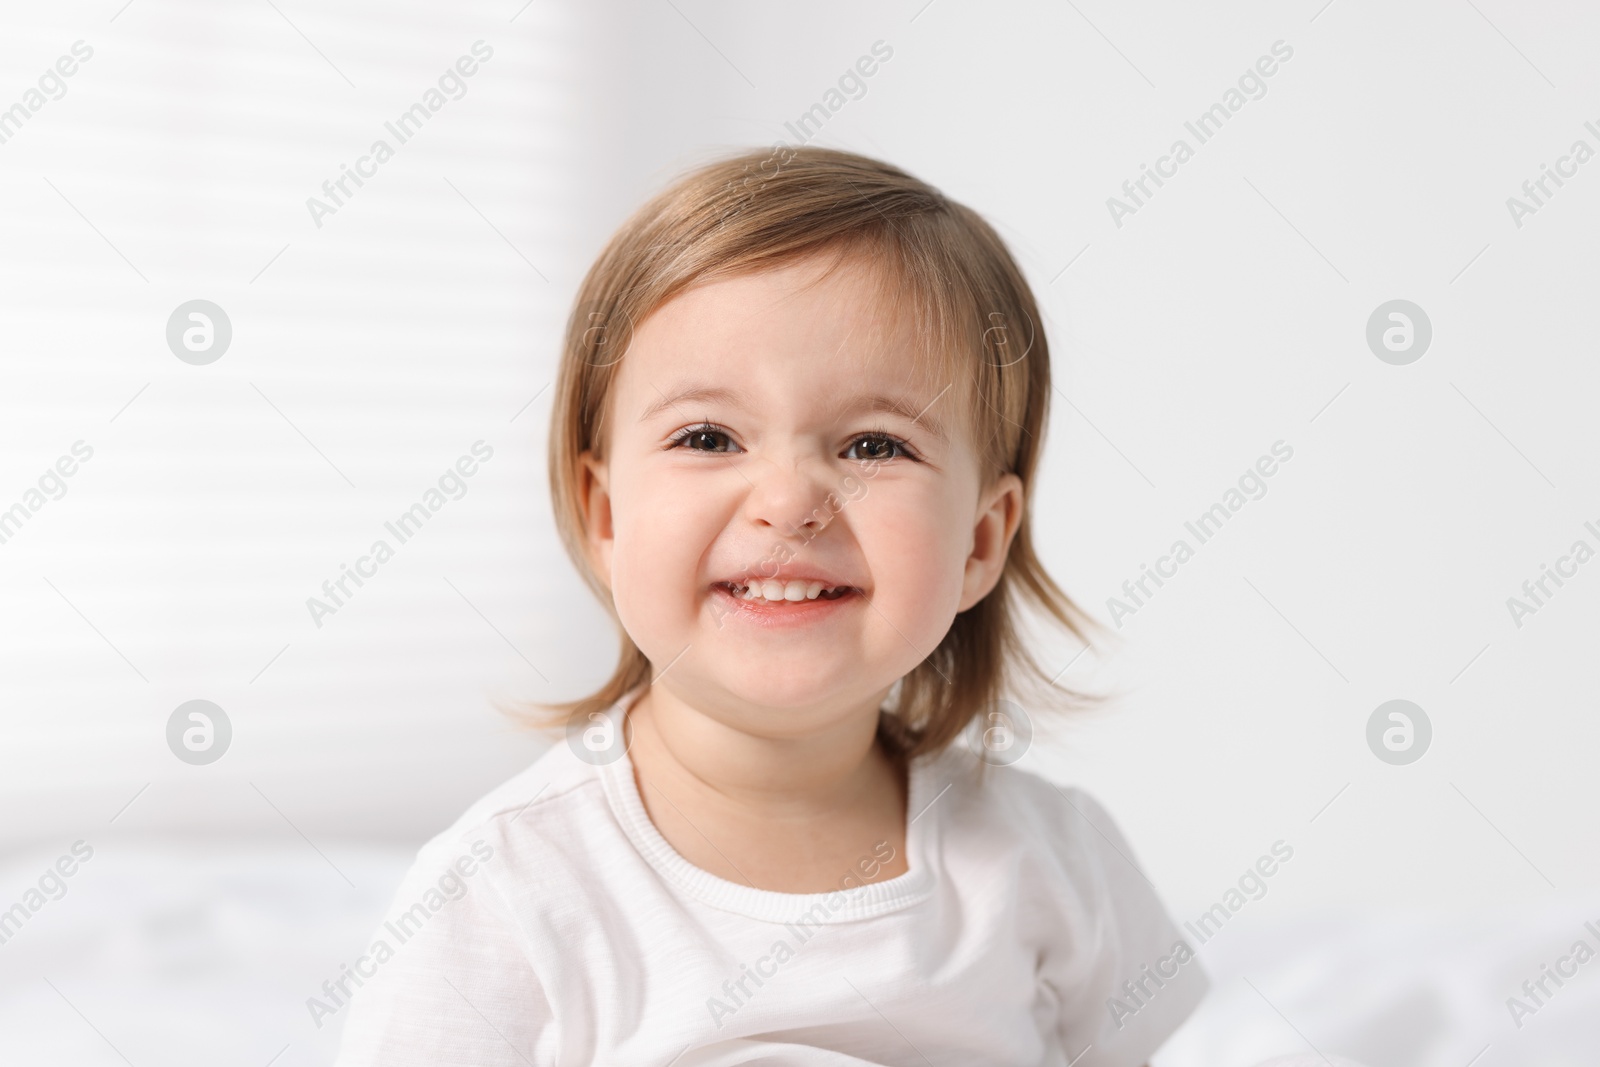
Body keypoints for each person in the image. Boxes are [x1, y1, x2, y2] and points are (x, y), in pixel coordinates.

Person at [328, 145, 1213, 1066]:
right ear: (605, 515)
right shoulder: (504, 889)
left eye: (874, 446)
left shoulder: (1052, 863)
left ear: (979, 544)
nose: (789, 500)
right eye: (708, 436)